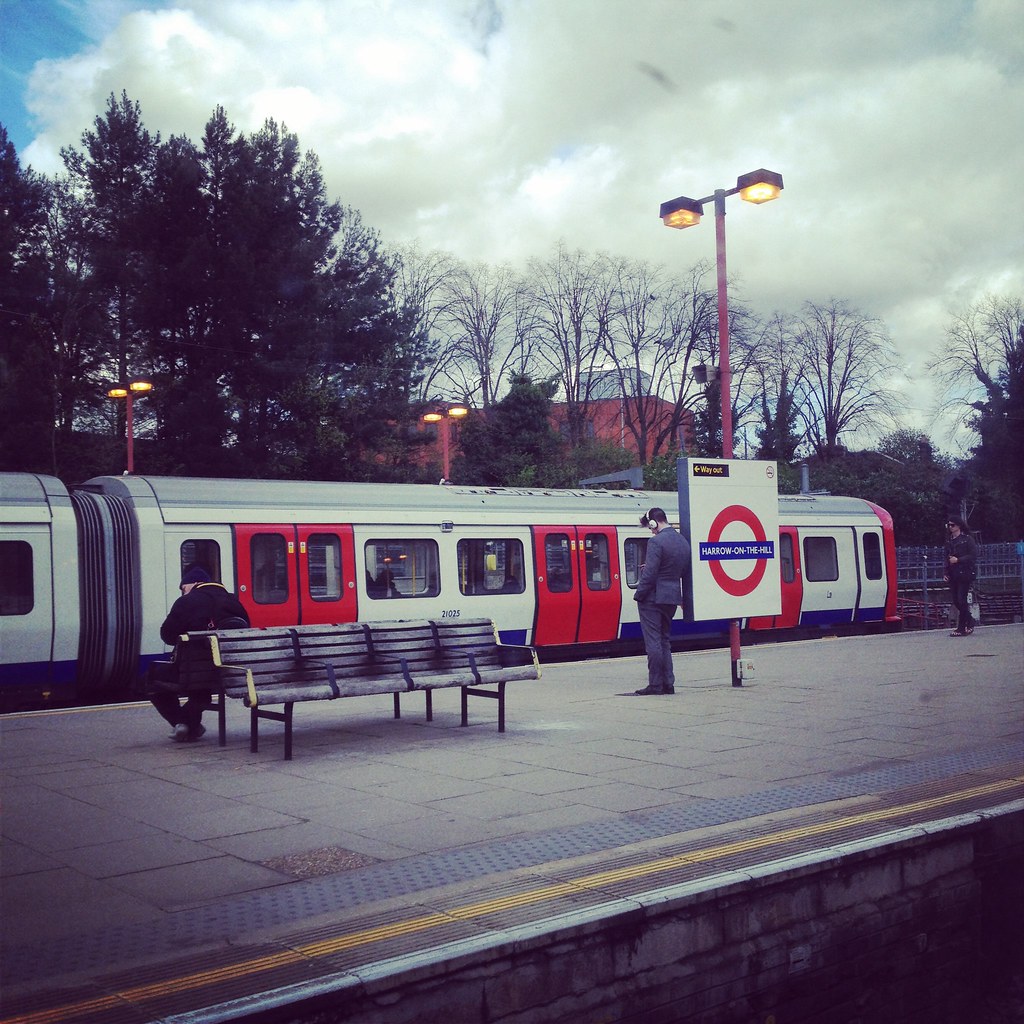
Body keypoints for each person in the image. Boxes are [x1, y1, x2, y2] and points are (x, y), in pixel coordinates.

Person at [153, 567, 250, 741]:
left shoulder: (186, 602)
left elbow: (167, 635)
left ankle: (183, 722)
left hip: (192, 673)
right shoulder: (234, 601)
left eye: (183, 588)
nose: (183, 593)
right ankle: (191, 726)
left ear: (195, 583)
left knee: (150, 682)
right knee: (200, 686)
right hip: (228, 672)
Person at [633, 507, 691, 695]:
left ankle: (655, 684)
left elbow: (649, 576)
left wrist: (639, 594)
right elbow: (681, 570)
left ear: (654, 523)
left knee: (653, 642)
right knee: (665, 640)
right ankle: (668, 683)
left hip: (652, 598)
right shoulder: (682, 541)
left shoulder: (656, 542)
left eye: (650, 527)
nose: (651, 531)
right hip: (671, 596)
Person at [944, 515, 977, 637]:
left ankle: (961, 627)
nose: (950, 527)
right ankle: (970, 620)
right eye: (949, 525)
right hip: (953, 574)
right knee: (956, 601)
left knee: (961, 600)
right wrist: (946, 573)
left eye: (952, 525)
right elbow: (946, 558)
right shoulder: (949, 541)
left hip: (964, 573)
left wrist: (958, 560)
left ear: (959, 526)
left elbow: (973, 556)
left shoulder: (967, 539)